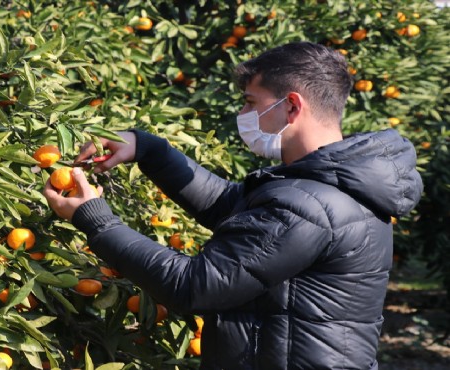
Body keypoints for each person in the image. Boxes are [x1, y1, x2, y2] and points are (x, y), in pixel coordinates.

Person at [44, 42, 423, 369]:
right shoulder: (328, 186)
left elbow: (194, 286)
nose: (244, 115)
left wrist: (95, 219)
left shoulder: (310, 203)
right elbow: (229, 205)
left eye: (250, 103)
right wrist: (148, 150)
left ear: (291, 106)